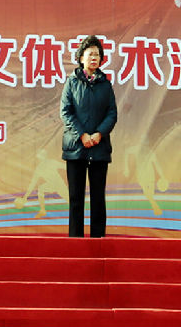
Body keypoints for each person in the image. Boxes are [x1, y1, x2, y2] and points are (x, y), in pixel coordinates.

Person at [60, 34, 117, 238]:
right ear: (81, 58)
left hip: (99, 148)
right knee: (76, 199)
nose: (94, 58)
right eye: (90, 54)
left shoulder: (105, 85)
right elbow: (66, 112)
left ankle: (98, 242)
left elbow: (112, 113)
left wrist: (99, 134)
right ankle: (75, 244)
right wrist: (82, 135)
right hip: (76, 148)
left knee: (98, 199)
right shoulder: (72, 82)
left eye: (97, 55)